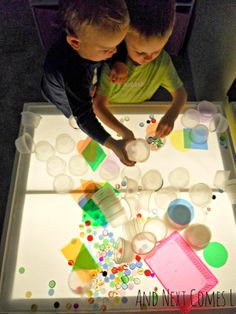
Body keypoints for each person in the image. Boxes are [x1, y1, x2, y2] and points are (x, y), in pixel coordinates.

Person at [41, 0, 135, 166]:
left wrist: (118, 62)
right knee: (75, 110)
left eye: (117, 45)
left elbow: (113, 48)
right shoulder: (72, 72)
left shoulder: (92, 43)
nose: (113, 51)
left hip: (85, 74)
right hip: (59, 92)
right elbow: (84, 116)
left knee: (87, 86)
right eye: (107, 50)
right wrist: (113, 144)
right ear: (75, 43)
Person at [93, 0, 187, 140]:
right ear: (123, 40)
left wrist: (171, 116)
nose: (148, 58)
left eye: (156, 51)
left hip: (141, 109)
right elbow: (99, 106)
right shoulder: (112, 65)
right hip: (112, 113)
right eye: (140, 52)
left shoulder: (163, 62)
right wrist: (124, 132)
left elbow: (180, 94)